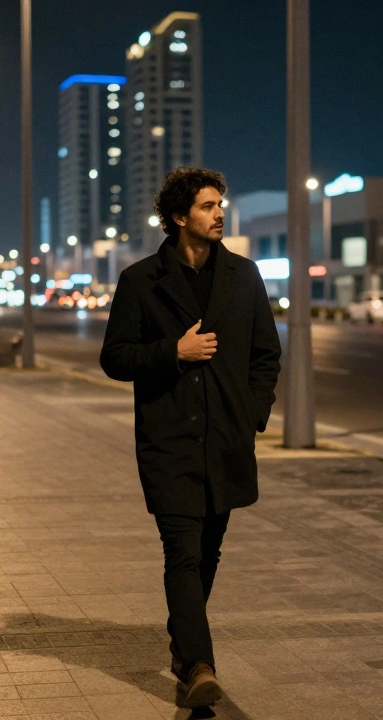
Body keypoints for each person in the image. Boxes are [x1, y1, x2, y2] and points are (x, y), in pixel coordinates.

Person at [100, 167, 281, 710]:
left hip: (226, 439)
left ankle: (184, 644)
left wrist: (251, 414)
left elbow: (266, 355)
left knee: (208, 552)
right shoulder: (140, 280)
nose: (219, 213)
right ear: (179, 217)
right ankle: (200, 666)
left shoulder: (244, 275)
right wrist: (172, 352)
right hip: (169, 440)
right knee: (181, 550)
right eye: (207, 206)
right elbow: (115, 357)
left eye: (220, 204)